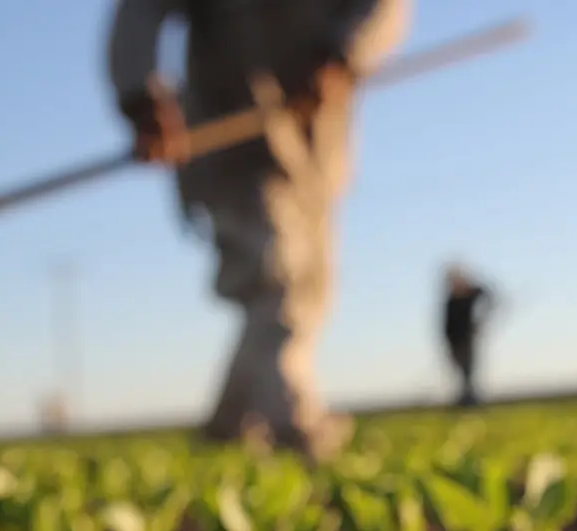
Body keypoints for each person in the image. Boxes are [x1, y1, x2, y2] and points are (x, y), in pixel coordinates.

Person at [106, 0, 412, 460]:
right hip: (230, 138)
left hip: (314, 144)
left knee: (311, 288)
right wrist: (141, 97)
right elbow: (140, 12)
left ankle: (227, 425)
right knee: (277, 278)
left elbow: (382, 9)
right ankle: (293, 420)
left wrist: (342, 55)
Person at [441, 263, 495, 407]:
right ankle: (466, 398)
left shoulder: (471, 293)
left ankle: (470, 400)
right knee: (461, 373)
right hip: (454, 342)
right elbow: (447, 326)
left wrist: (481, 320)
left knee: (468, 371)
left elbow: (489, 296)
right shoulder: (451, 300)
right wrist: (448, 342)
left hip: (468, 340)